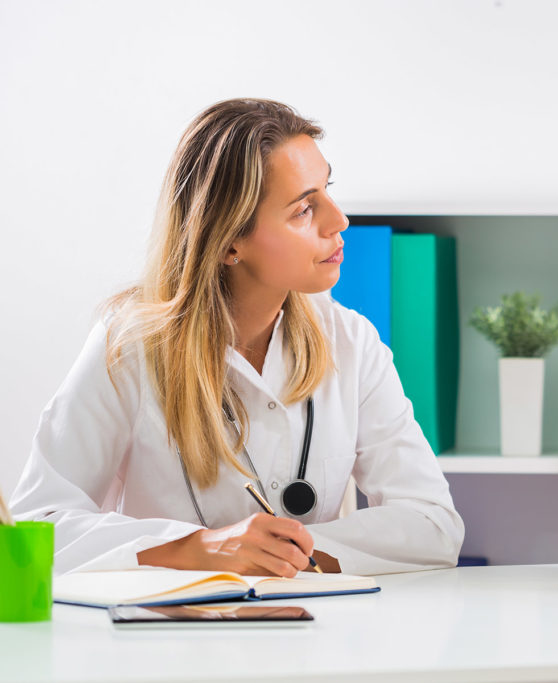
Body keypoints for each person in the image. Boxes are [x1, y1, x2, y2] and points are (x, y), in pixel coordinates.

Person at [12, 98, 464, 578]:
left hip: (316, 638)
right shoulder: (129, 345)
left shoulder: (351, 343)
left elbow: (434, 524)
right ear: (230, 242)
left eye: (327, 190)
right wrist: (197, 549)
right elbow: (36, 526)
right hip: (166, 644)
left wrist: (290, 553)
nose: (339, 221)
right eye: (304, 208)